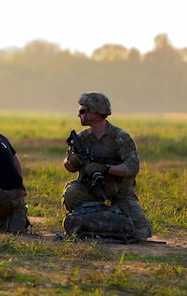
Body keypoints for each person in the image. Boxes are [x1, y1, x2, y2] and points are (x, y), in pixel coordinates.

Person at [62, 92, 152, 240]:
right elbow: (68, 166)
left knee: (141, 233)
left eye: (82, 111)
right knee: (71, 193)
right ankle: (88, 220)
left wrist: (105, 168)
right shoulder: (81, 138)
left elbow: (132, 167)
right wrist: (72, 161)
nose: (78, 115)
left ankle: (101, 221)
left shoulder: (120, 137)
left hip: (119, 193)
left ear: (96, 112)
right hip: (91, 191)